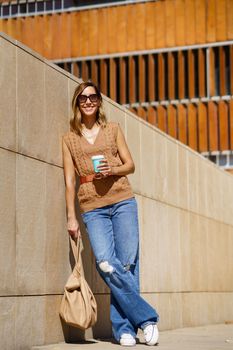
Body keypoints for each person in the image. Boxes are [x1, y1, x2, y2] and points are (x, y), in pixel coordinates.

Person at [62, 81, 159, 347]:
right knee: (106, 262)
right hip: (92, 206)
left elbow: (131, 165)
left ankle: (124, 329)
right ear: (77, 103)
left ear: (100, 101)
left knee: (127, 264)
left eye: (93, 97)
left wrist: (112, 170)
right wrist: (71, 217)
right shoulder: (69, 138)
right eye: (83, 98)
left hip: (122, 200)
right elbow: (70, 181)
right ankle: (147, 319)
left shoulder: (113, 129)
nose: (89, 101)